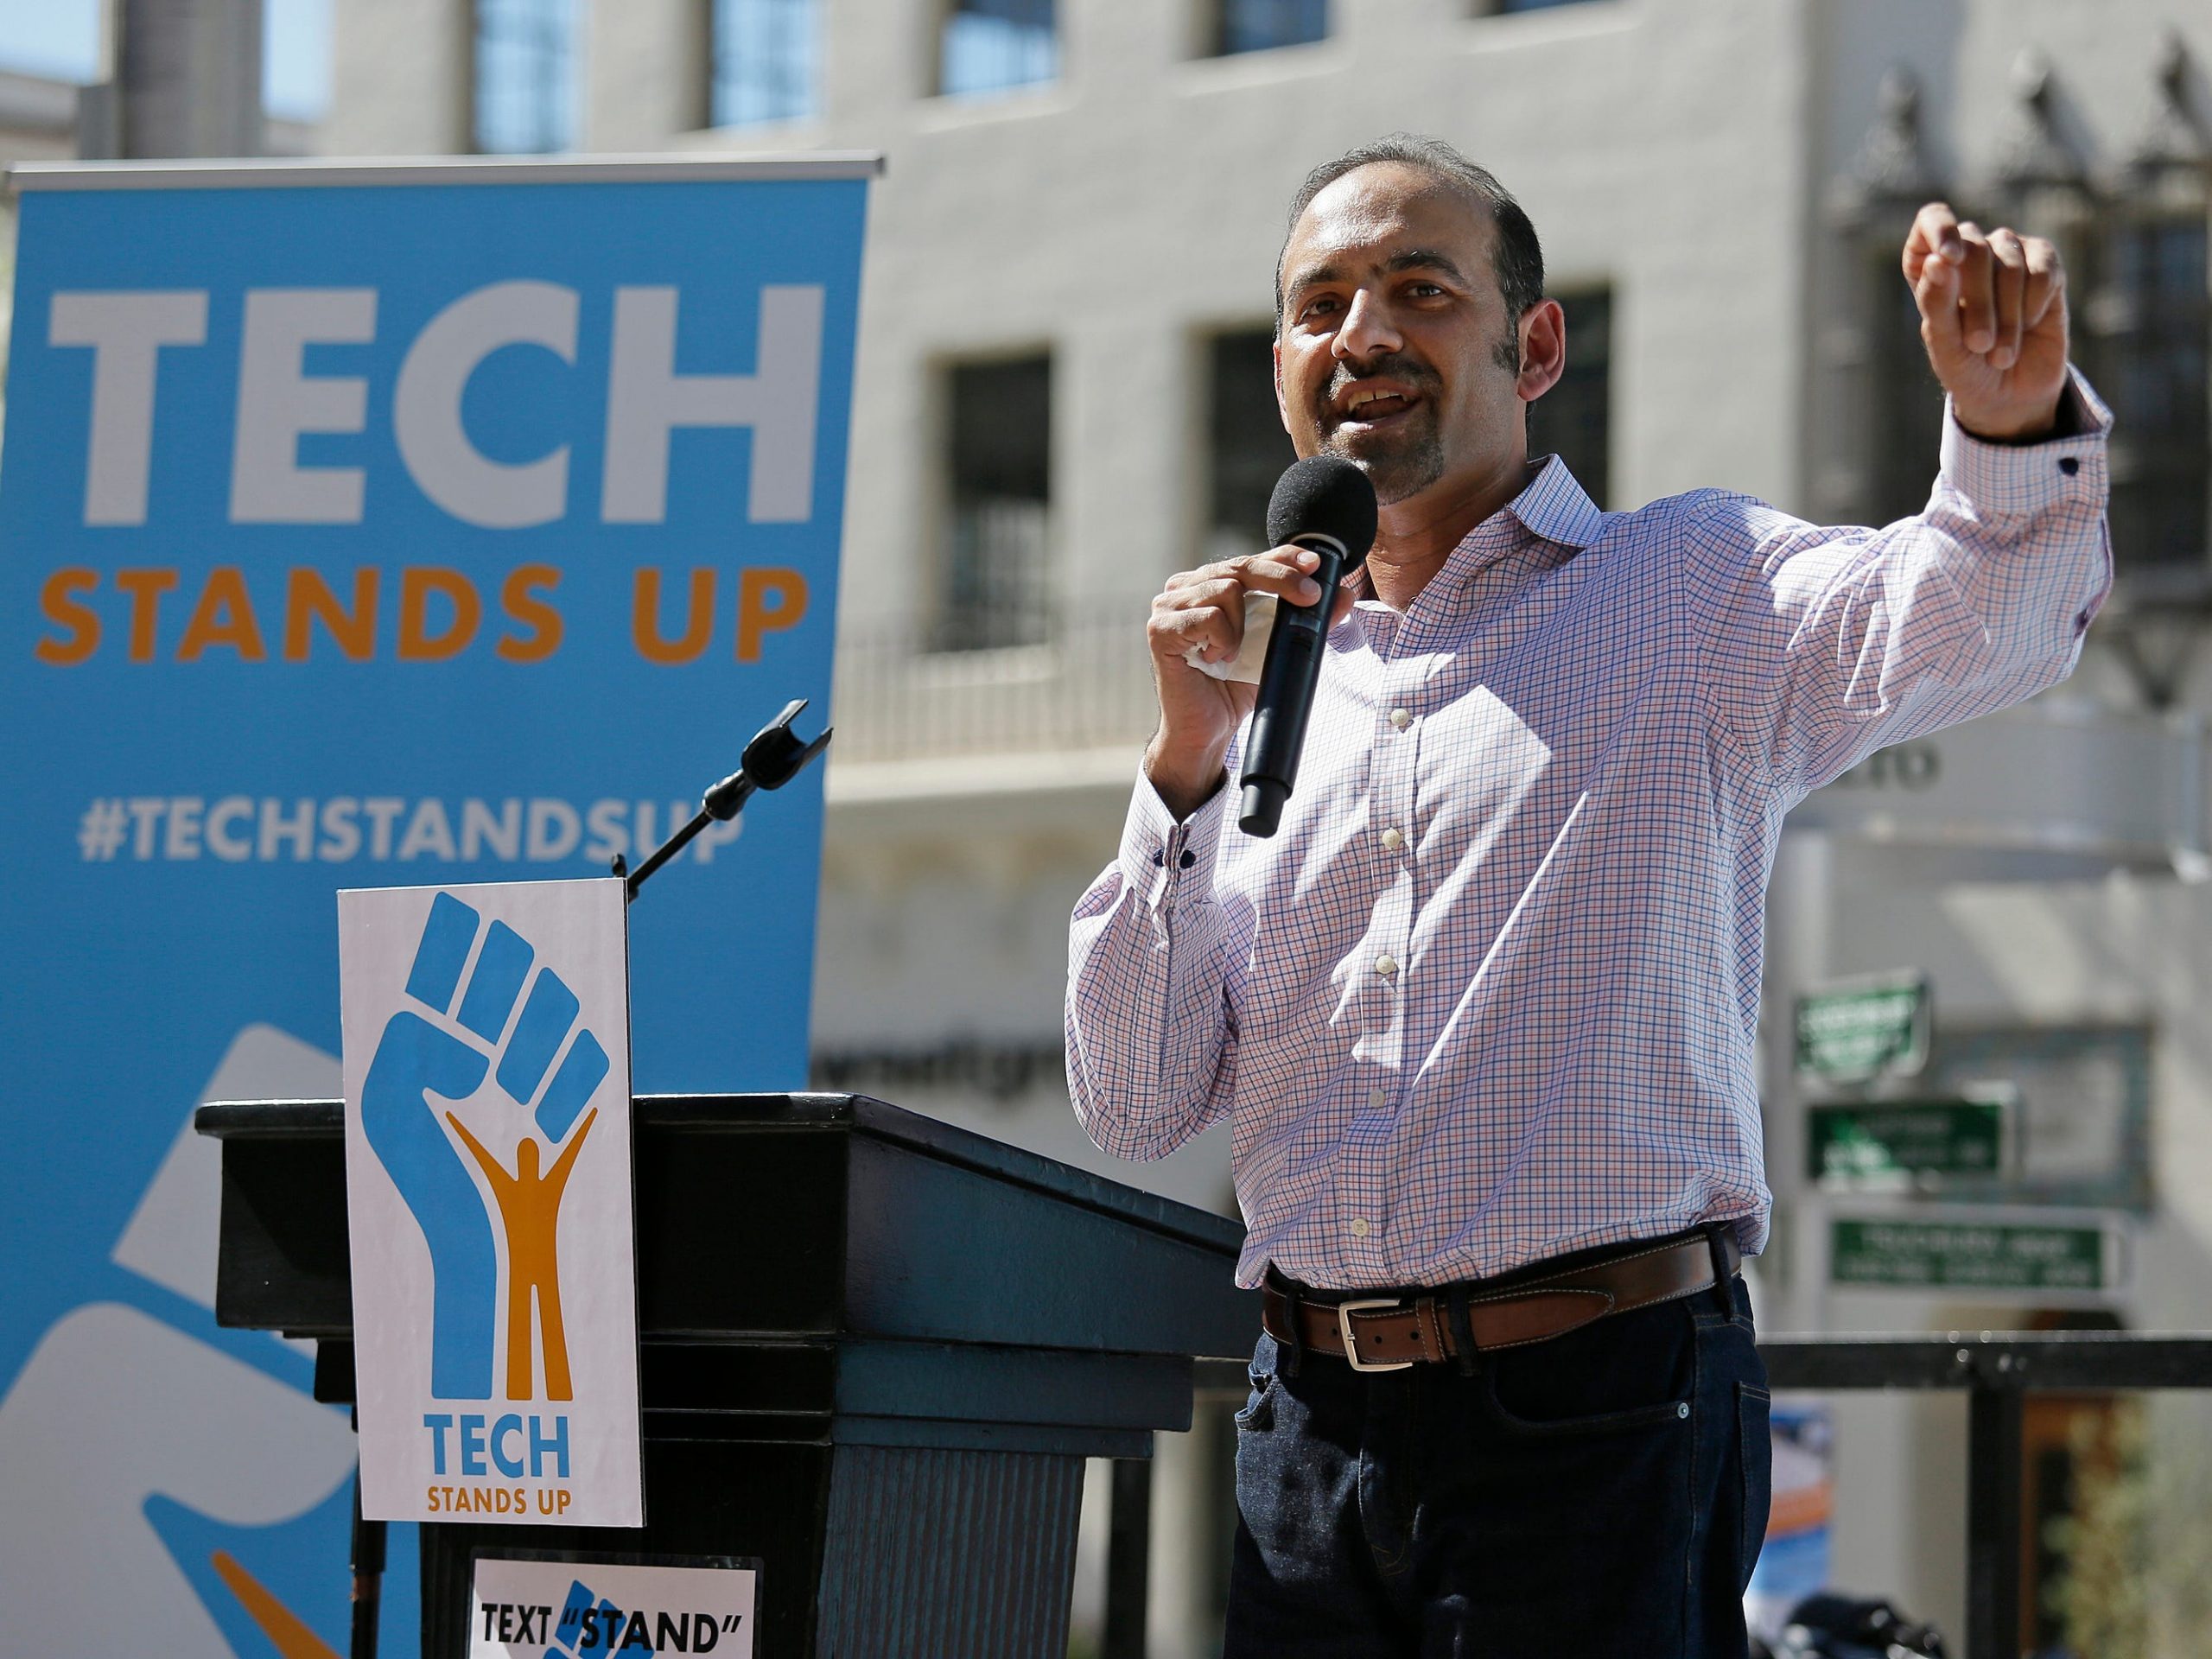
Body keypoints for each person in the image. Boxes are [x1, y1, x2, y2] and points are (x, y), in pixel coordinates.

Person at [1065, 134, 2107, 1658]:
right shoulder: (1258, 689)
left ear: (1533, 344)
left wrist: (2005, 427)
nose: (1362, 335)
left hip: (1598, 1411)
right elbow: (1135, 1099)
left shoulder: (1690, 591)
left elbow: (1976, 621)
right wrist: (1178, 764)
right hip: (1305, 1438)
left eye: (1419, 289)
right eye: (1320, 303)